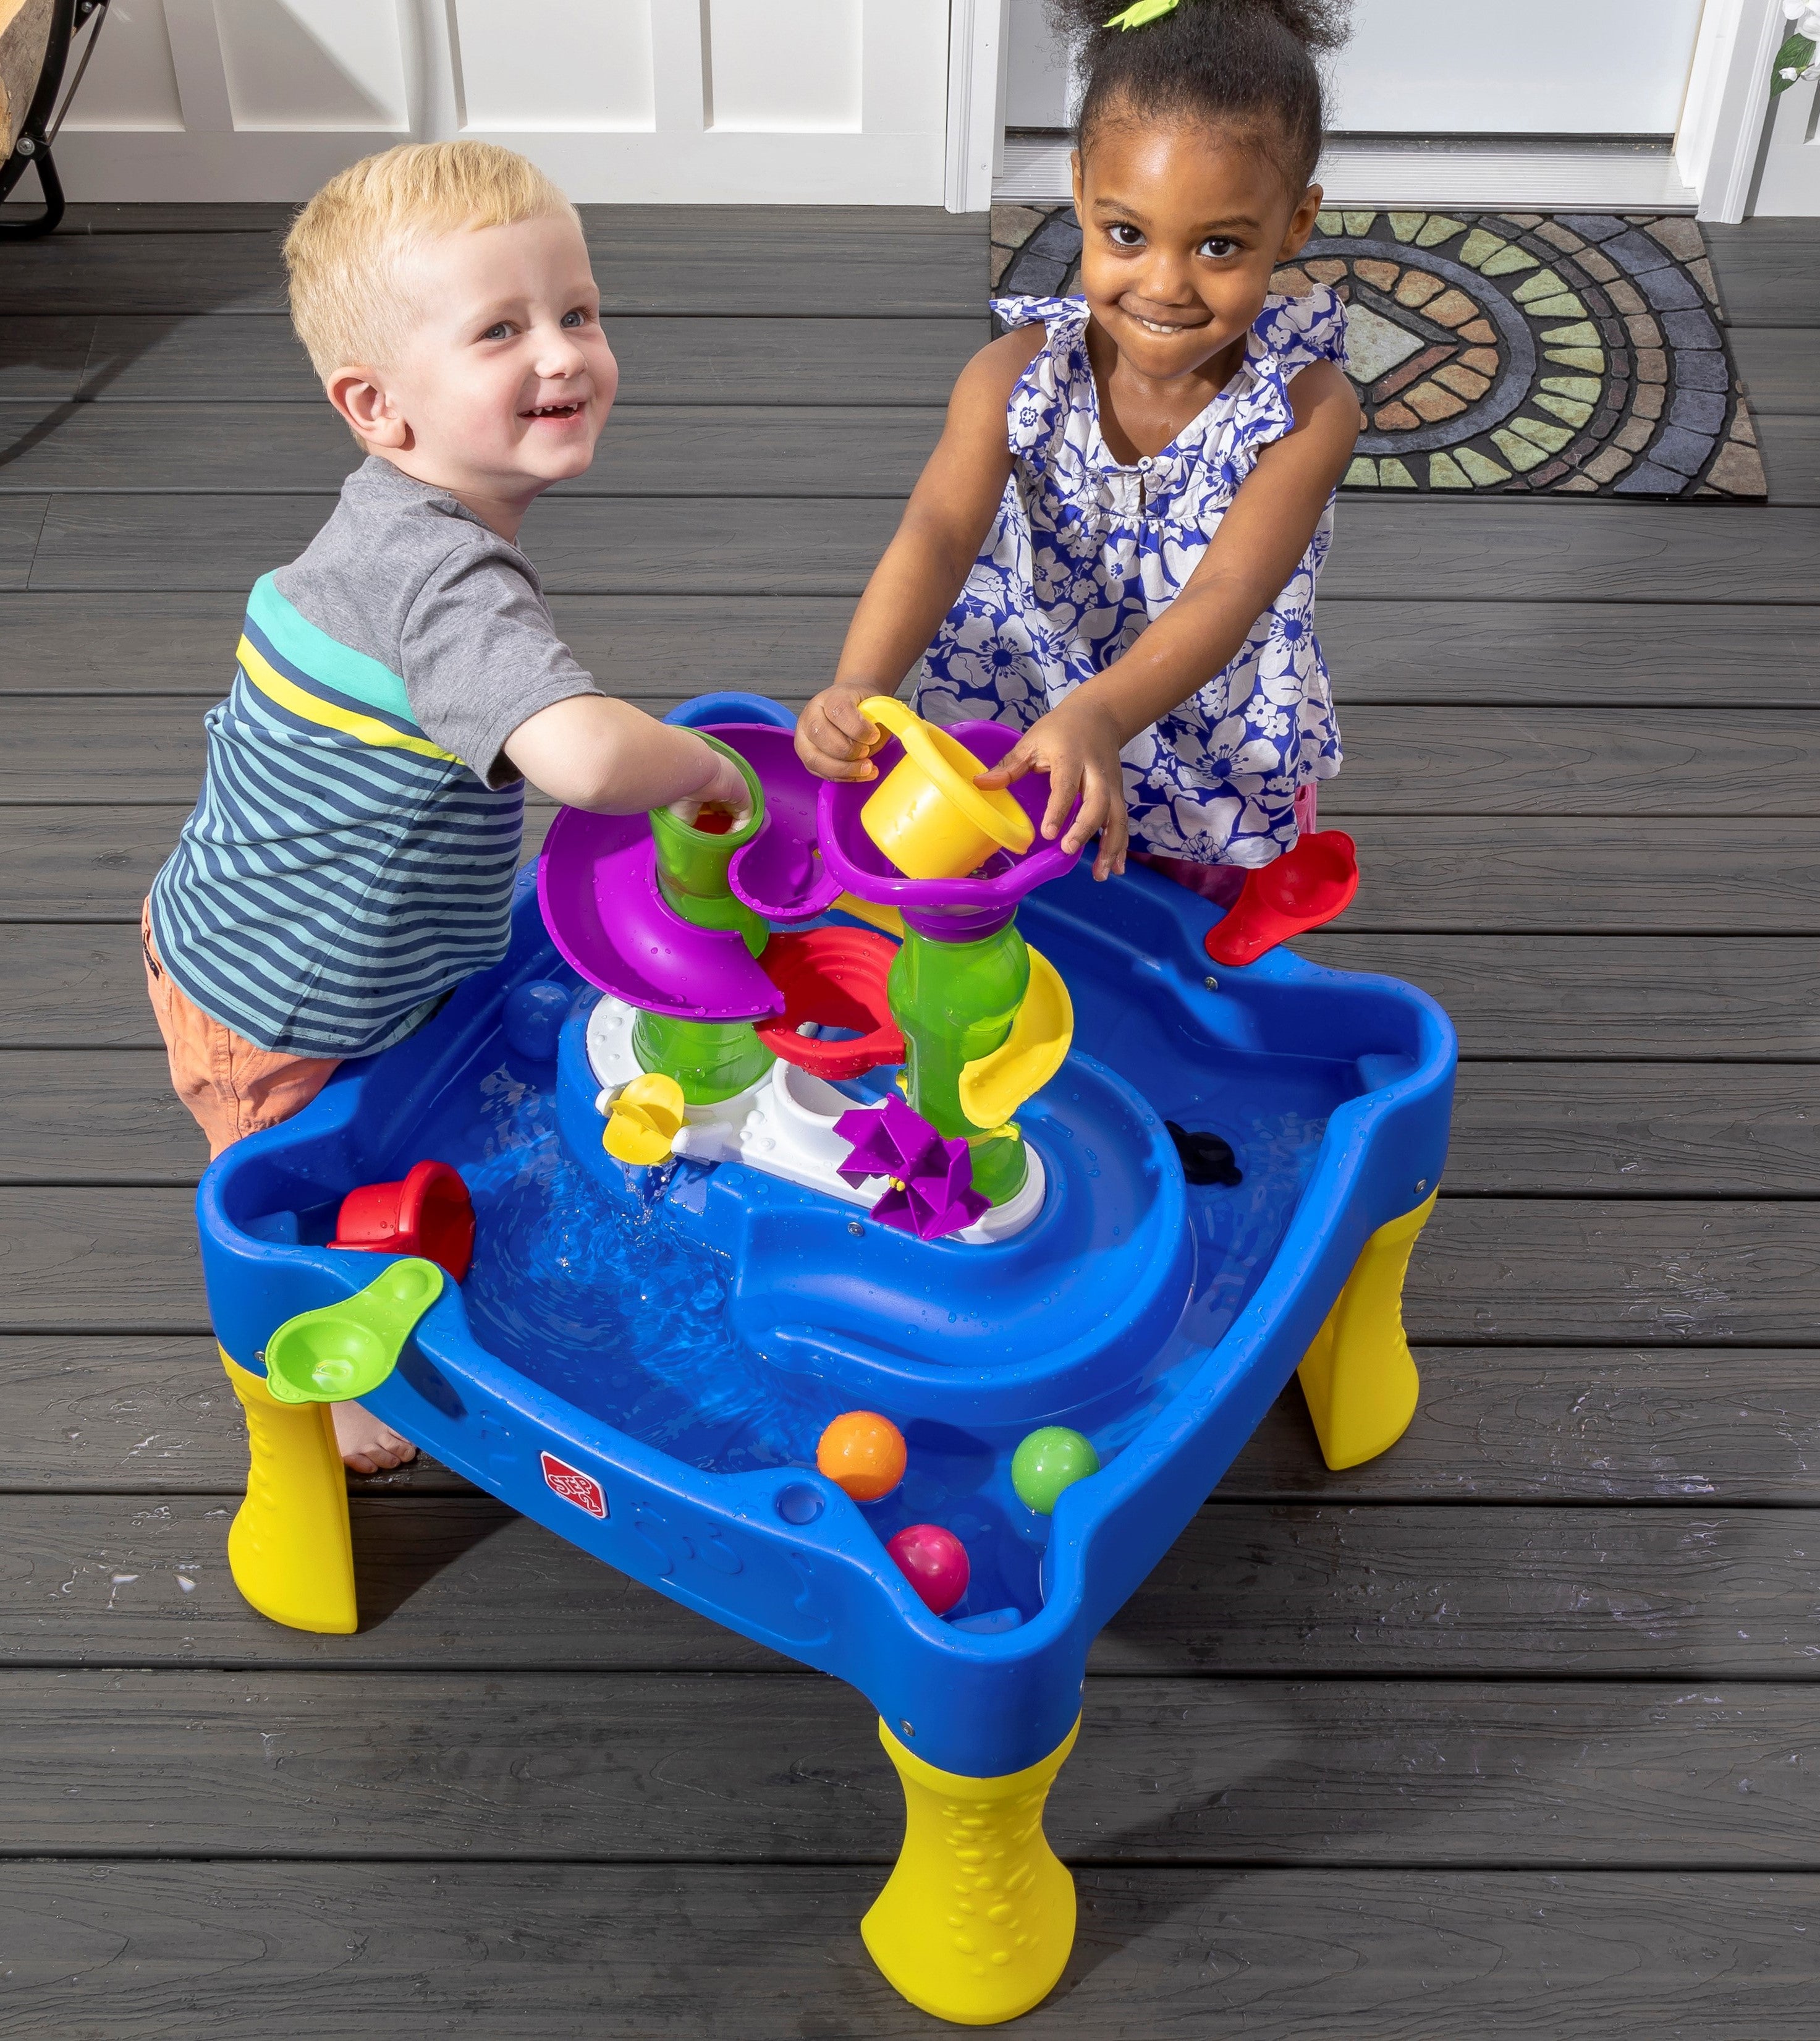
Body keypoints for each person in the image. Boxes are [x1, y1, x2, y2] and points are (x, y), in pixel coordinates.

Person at [143, 142, 748, 1472]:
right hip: (280, 1004)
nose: (564, 354)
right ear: (378, 405)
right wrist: (700, 769)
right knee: (283, 1204)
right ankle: (312, 1390)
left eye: (577, 312)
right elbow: (583, 760)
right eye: (501, 330)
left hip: (242, 913)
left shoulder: (383, 524)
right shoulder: (446, 582)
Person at [795, 0, 1360, 901]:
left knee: (1179, 927)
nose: (1165, 285)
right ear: (1079, 189)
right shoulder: (1010, 377)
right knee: (1023, 894)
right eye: (1126, 233)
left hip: (1196, 725)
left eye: (1219, 246)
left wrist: (1097, 712)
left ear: (1294, 225)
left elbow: (1228, 591)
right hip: (1022, 693)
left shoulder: (1303, 412)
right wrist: (859, 682)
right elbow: (938, 533)